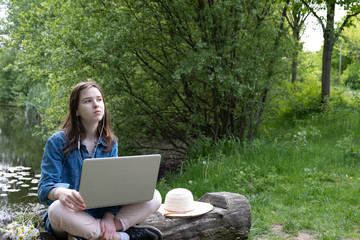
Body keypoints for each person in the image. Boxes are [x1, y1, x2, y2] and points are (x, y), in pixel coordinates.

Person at [38, 80, 162, 240]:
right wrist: (61, 192)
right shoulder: (57, 141)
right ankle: (123, 237)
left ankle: (103, 233)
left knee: (153, 195)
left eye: (99, 99)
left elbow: (113, 188)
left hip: (101, 215)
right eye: (88, 101)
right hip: (72, 214)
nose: (96, 105)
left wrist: (110, 217)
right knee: (56, 210)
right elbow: (44, 187)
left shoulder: (111, 142)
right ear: (76, 110)